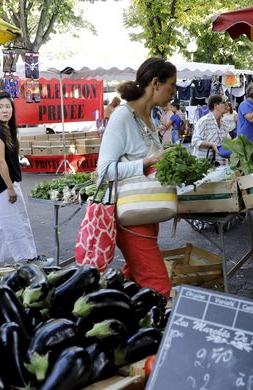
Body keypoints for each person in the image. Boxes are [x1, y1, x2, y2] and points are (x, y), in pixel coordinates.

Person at [97, 57, 175, 298]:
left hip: (147, 209)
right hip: (130, 217)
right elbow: (105, 170)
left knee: (133, 280)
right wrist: (148, 162)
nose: (173, 91)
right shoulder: (123, 116)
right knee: (158, 285)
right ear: (155, 83)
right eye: (171, 84)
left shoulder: (150, 118)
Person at [0, 92, 54, 268]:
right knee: (17, 222)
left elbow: (2, 158)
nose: (5, 110)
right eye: (0, 107)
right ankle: (28, 259)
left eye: (8, 106)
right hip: (3, 185)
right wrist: (10, 188)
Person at [192, 95, 231, 164]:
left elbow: (228, 142)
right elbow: (195, 141)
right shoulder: (204, 121)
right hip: (205, 164)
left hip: (221, 165)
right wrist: (211, 144)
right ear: (216, 105)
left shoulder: (224, 124)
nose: (227, 105)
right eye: (224, 103)